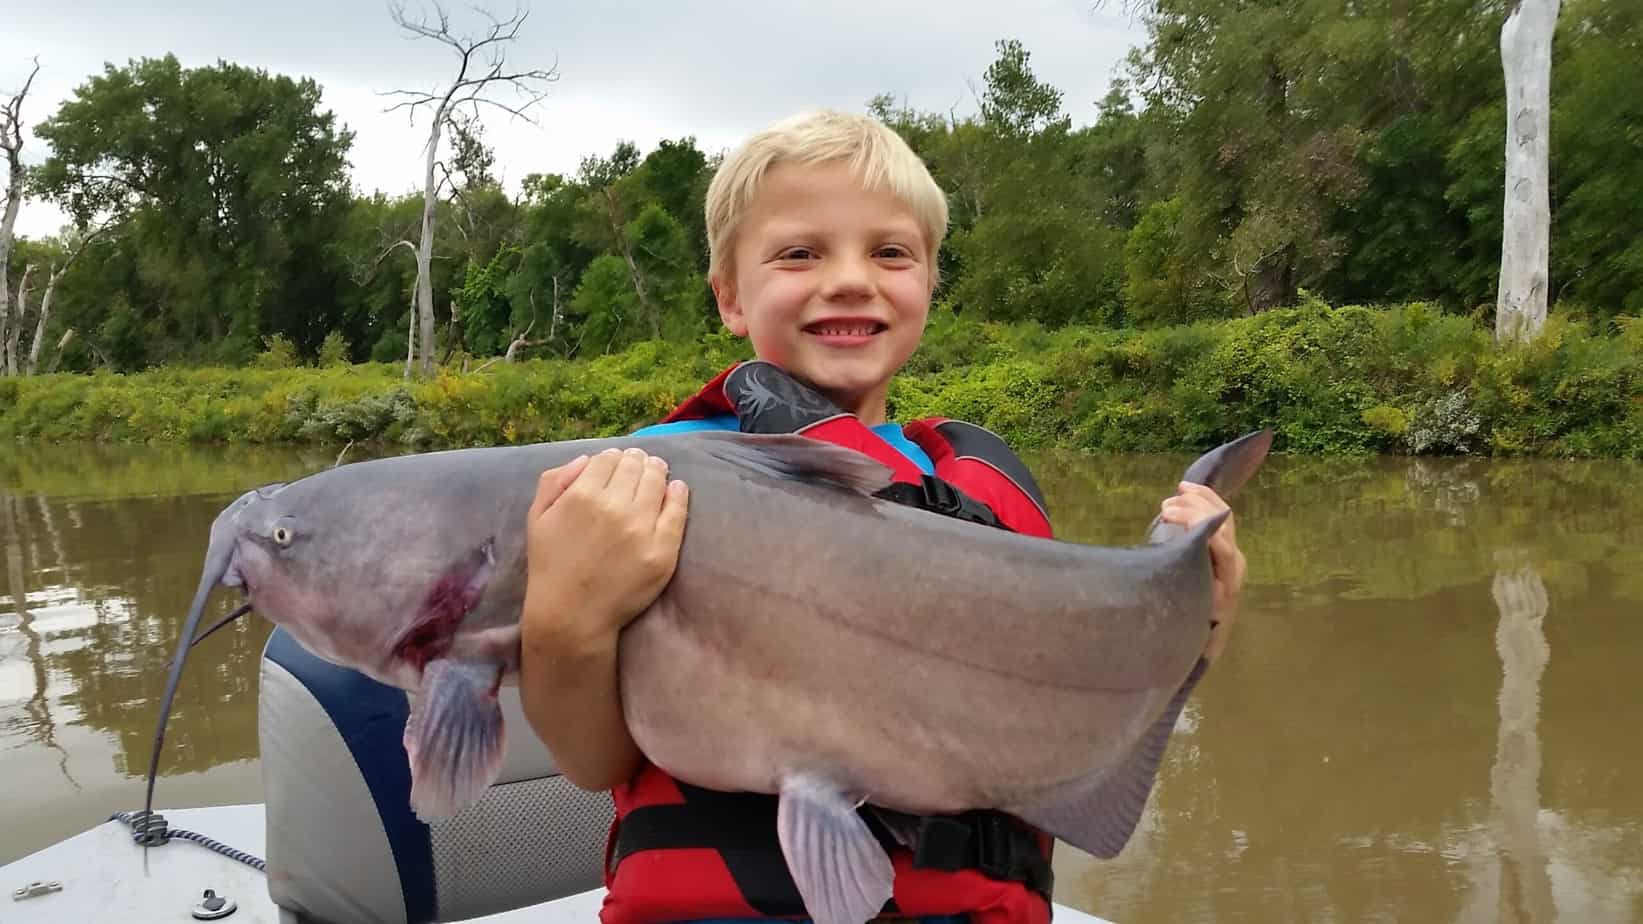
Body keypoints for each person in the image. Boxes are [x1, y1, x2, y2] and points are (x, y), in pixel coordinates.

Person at [516, 109, 1247, 924]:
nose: (850, 279)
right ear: (728, 295)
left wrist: (1197, 613)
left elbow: (1094, 714)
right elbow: (592, 760)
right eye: (799, 253)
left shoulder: (982, 490)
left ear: (929, 283)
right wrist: (560, 619)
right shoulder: (639, 487)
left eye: (890, 252)